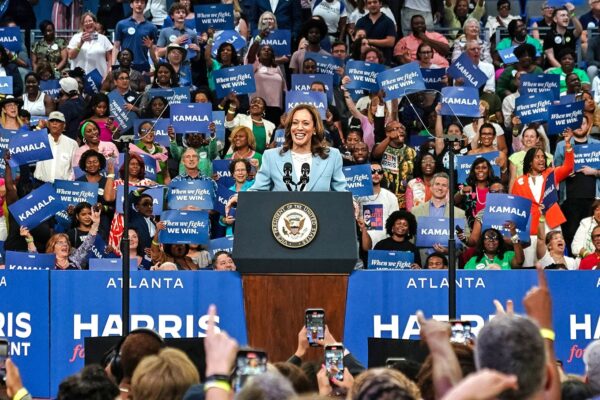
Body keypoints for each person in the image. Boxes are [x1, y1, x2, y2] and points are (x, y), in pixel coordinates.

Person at [247, 104, 346, 192]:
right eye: (295, 123)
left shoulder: (332, 156)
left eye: (305, 123)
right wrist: (242, 198)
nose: (299, 128)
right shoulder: (271, 156)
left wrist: (352, 202)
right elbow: (257, 191)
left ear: (315, 129)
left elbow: (341, 193)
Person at [511, 134, 575, 267]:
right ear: (529, 161)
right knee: (529, 262)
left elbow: (568, 167)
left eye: (543, 157)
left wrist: (567, 145)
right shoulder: (519, 181)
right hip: (531, 226)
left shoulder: (551, 174)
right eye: (537, 157)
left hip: (551, 223)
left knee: (553, 261)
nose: (541, 160)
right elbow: (516, 207)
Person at [554, 114, 600, 250]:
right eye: (577, 124)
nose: (580, 127)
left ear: (588, 125)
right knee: (571, 234)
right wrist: (565, 170)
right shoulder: (562, 145)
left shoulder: (598, 145)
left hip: (594, 200)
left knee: (594, 234)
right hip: (569, 199)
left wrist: (595, 172)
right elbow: (555, 171)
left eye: (583, 123)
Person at [412, 172, 469, 264]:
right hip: (422, 262)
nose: (440, 188)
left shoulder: (459, 213)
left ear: (448, 189)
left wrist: (449, 251)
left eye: (444, 185)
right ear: (431, 187)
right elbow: (411, 240)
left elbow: (466, 242)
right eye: (437, 184)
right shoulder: (416, 211)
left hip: (449, 264)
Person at [21, 207, 102, 270]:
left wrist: (95, 224)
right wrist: (29, 239)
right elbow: (34, 258)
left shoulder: (75, 260)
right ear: (52, 247)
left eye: (66, 242)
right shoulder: (46, 264)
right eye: (60, 242)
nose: (65, 245)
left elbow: (87, 244)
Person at [372, 120, 417, 209]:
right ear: (387, 133)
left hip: (406, 200)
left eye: (402, 128)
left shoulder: (411, 151)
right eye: (396, 129)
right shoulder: (381, 147)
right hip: (383, 197)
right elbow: (375, 155)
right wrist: (389, 138)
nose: (400, 131)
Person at [357, 161, 400, 246]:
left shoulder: (391, 197)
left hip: (385, 243)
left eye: (379, 172)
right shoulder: (358, 197)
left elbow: (394, 223)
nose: (376, 174)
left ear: (383, 175)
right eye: (372, 172)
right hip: (363, 241)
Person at [113, 0, 158, 73]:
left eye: (142, 2)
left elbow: (154, 50)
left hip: (143, 66)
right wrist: (113, 65)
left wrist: (155, 65)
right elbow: (116, 46)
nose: (139, 4)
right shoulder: (121, 24)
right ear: (131, 5)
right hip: (125, 65)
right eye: (137, 2)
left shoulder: (152, 27)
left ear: (145, 6)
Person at [34, 111, 79, 183]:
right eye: (52, 121)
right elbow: (29, 143)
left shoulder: (72, 144)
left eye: (58, 121)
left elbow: (76, 167)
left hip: (63, 186)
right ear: (48, 124)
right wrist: (39, 127)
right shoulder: (40, 140)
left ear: (64, 125)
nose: (54, 123)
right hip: (41, 184)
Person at [67, 12, 113, 79]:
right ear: (82, 25)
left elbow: (110, 59)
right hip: (79, 79)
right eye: (85, 22)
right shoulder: (76, 37)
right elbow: (71, 56)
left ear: (95, 23)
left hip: (99, 78)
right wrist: (81, 43)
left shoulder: (103, 39)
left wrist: (107, 75)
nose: (88, 23)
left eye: (90, 21)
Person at [354, 0, 396, 65]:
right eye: (369, 3)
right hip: (364, 61)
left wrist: (368, 41)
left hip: (383, 61)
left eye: (375, 2)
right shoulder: (360, 22)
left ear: (380, 4)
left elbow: (390, 42)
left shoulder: (388, 22)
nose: (372, 5)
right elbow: (357, 41)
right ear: (366, 5)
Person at [544, 4, 583, 69]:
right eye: (562, 15)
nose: (566, 17)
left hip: (570, 68)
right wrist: (562, 70)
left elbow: (580, 30)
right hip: (554, 68)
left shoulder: (571, 33)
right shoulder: (549, 35)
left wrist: (572, 13)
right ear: (555, 19)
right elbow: (551, 58)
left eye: (567, 15)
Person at [135, 120, 170, 184]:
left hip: (160, 189)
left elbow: (166, 175)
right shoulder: (134, 151)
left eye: (151, 130)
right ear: (139, 135)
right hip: (140, 189)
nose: (149, 133)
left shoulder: (162, 150)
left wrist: (168, 190)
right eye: (145, 130)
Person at [57, 76, 86, 141]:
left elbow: (61, 126)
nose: (60, 89)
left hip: (69, 139)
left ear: (64, 90)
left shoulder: (65, 106)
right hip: (81, 137)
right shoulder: (82, 99)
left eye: (62, 87)